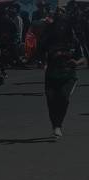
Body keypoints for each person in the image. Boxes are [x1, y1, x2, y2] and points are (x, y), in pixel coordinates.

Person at [39, 7, 86, 138]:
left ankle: (58, 124)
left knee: (63, 98)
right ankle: (55, 125)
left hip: (68, 76)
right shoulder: (49, 41)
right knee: (51, 101)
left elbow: (83, 58)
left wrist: (76, 63)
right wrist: (43, 62)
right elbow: (40, 53)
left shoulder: (74, 42)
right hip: (51, 75)